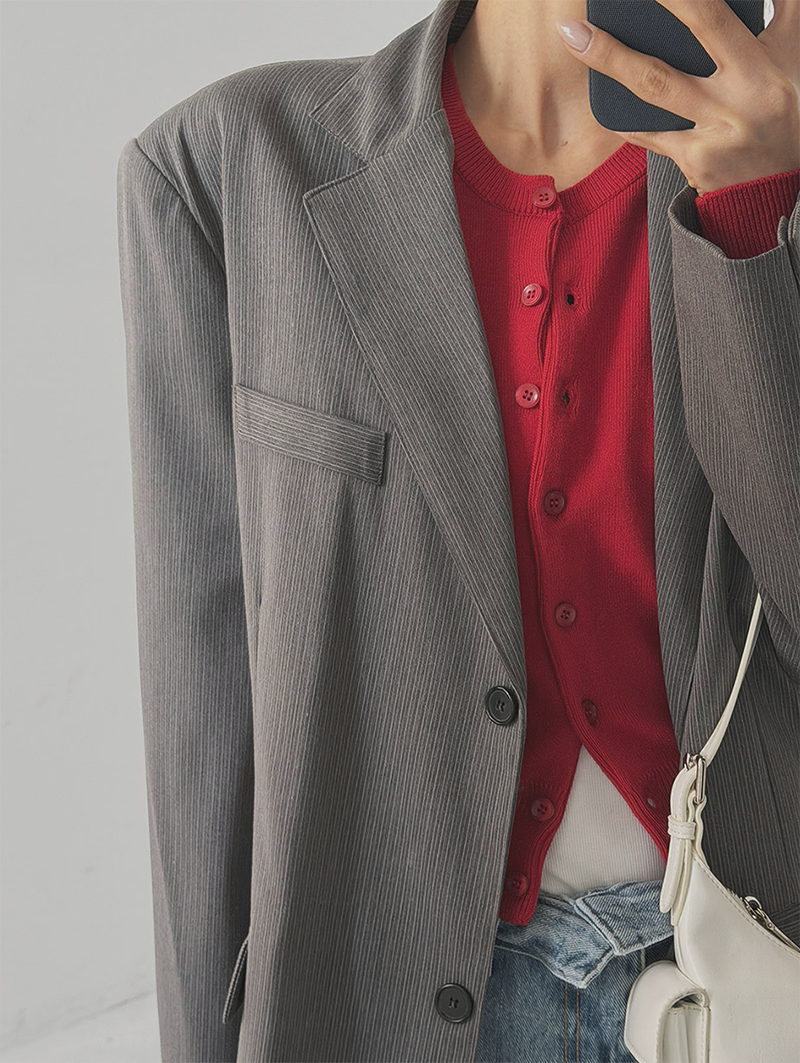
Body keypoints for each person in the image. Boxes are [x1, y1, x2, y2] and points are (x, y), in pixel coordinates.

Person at [115, 0, 800, 1060]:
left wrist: (755, 214)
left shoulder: (778, 163)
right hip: (382, 1001)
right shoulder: (226, 168)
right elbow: (201, 699)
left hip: (749, 983)